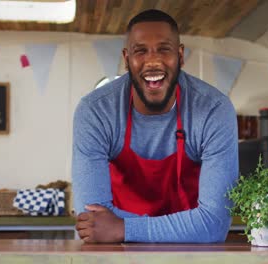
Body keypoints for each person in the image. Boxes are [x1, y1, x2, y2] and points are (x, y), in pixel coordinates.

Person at [72, 9, 238, 243]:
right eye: (140, 51)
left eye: (164, 49)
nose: (153, 61)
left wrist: (123, 228)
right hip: (116, 254)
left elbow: (213, 224)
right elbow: (93, 221)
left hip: (188, 256)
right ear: (126, 58)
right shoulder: (96, 111)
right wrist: (187, 227)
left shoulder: (213, 110)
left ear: (180, 56)